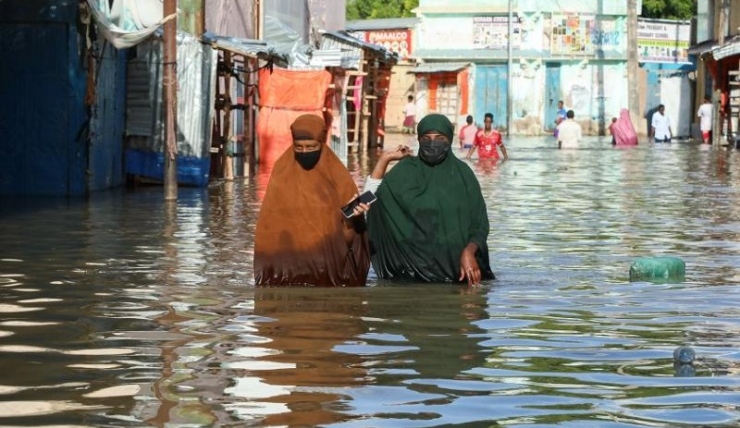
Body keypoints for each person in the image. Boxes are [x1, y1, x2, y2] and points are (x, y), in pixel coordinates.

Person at [363, 113, 495, 286]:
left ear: (449, 139)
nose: (433, 143)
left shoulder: (463, 175)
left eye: (440, 138)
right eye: (426, 138)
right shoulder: (405, 172)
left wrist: (469, 252)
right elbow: (364, 203)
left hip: (459, 277)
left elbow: (480, 225)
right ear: (419, 140)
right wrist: (384, 159)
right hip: (409, 279)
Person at [253, 114, 370, 287]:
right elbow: (269, 226)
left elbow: (351, 232)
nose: (305, 152)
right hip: (286, 275)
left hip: (331, 275)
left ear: (322, 144)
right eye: (298, 147)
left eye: (311, 146)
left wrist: (355, 218)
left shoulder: (338, 176)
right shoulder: (282, 172)